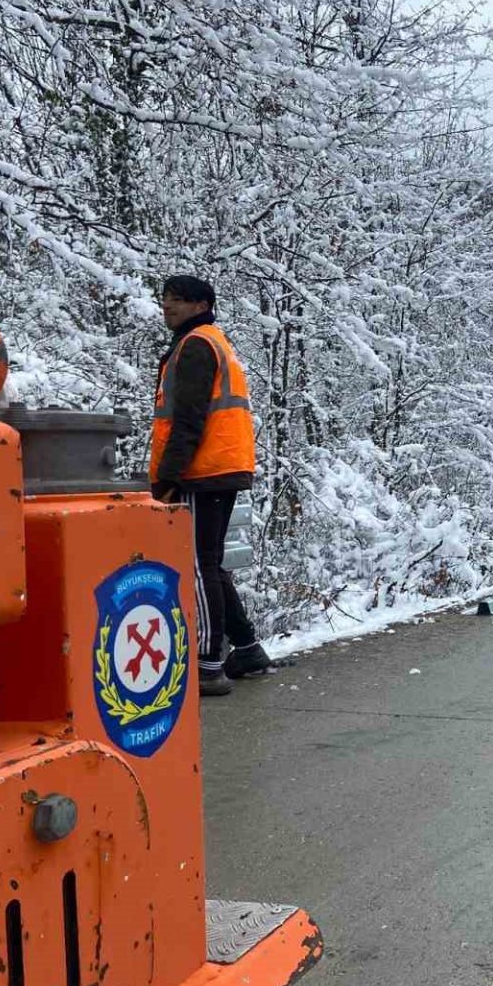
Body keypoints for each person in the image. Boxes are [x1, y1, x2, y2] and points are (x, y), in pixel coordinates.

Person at [148, 275, 271, 696]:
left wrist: (169, 477)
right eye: (165, 299)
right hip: (221, 465)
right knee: (212, 564)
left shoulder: (196, 345)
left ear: (201, 305)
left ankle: (207, 665)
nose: (167, 306)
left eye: (177, 300)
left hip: (202, 470)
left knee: (199, 564)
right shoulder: (212, 341)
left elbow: (189, 418)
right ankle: (247, 649)